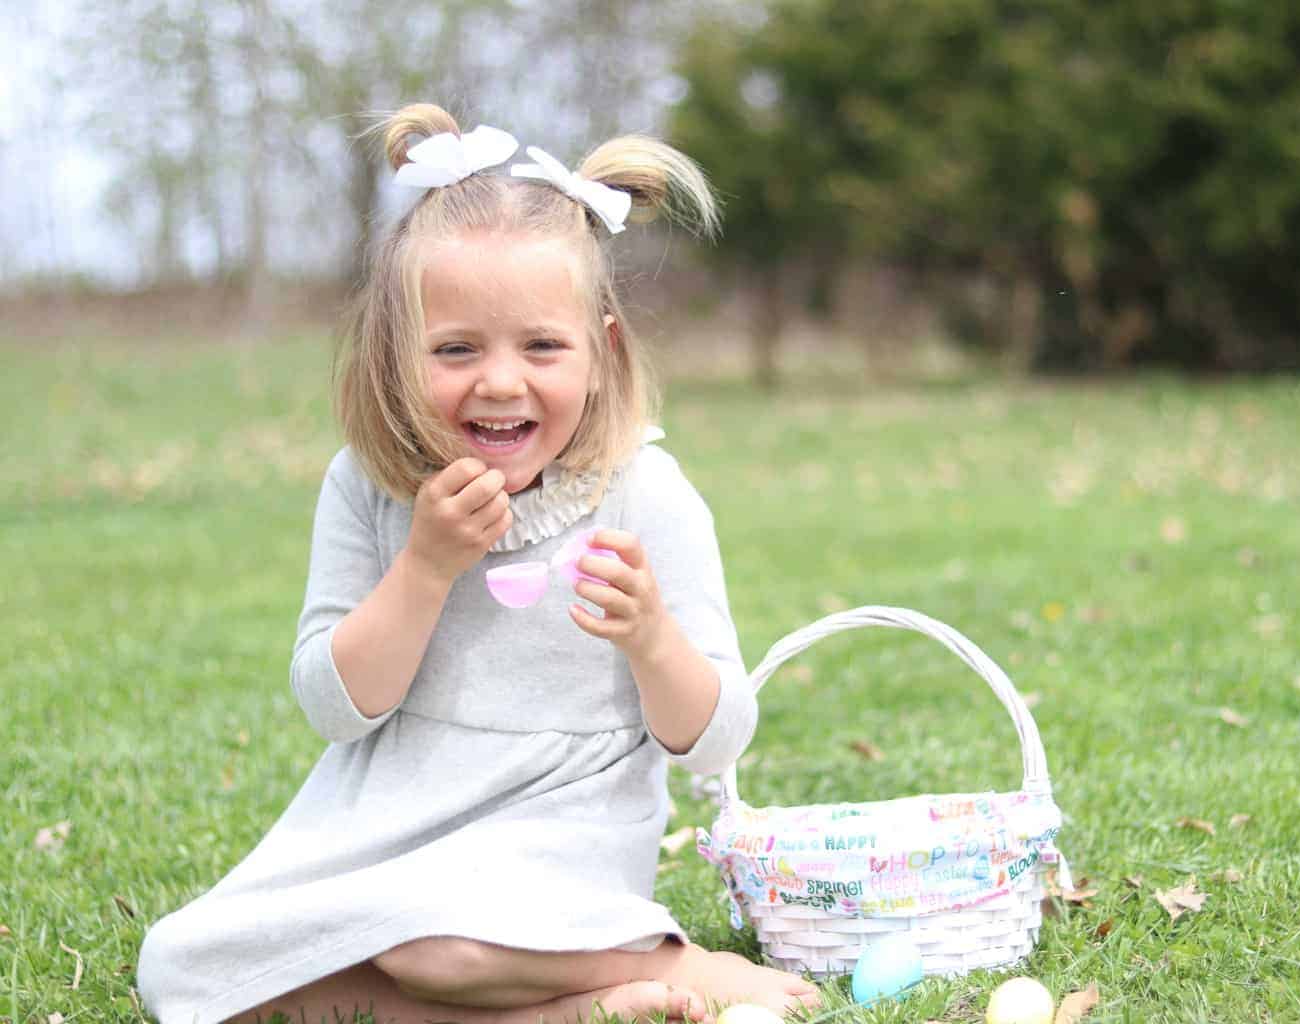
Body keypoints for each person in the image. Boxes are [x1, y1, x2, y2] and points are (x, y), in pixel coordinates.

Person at [137, 102, 823, 1024]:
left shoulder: (644, 496)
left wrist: (651, 635)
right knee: (182, 974)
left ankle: (664, 957)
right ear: (396, 357)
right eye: (456, 349)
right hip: (383, 824)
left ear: (601, 352)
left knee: (442, 948)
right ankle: (574, 1009)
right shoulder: (369, 488)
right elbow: (335, 708)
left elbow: (717, 740)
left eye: (542, 345)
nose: (500, 381)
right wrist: (423, 568)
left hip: (560, 833)